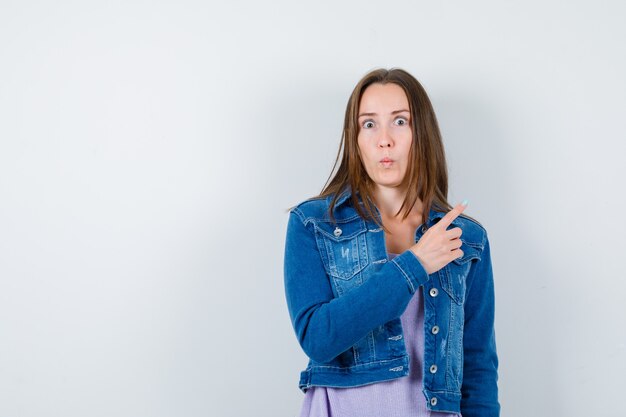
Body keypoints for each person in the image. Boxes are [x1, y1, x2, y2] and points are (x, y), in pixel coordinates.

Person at [283, 68, 500, 417]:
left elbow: (478, 366)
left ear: (422, 133)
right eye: (369, 124)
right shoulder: (314, 224)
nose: (385, 139)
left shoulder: (466, 239)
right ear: (355, 138)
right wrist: (414, 265)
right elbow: (318, 338)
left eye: (400, 121)